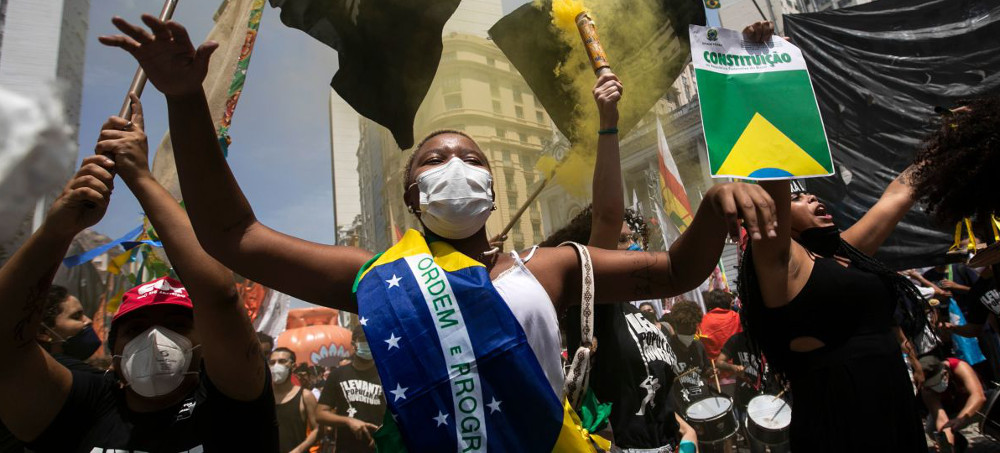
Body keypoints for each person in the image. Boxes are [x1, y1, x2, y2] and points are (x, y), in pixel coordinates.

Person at [98, 15, 776, 451]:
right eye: (434, 159)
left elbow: (674, 271)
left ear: (492, 188)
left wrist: (717, 201)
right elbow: (232, 233)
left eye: (472, 160)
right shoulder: (377, 276)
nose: (456, 167)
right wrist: (185, 99)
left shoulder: (550, 266)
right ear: (411, 195)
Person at [0, 95, 277, 452]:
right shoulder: (83, 408)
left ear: (206, 344)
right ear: (114, 351)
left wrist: (140, 177)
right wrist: (58, 229)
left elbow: (219, 296)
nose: (155, 338)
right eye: (134, 329)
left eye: (177, 325)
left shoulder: (232, 403)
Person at [739, 173, 929, 451]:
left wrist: (940, 155)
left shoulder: (845, 252)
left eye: (809, 194)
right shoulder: (781, 266)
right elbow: (772, 178)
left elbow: (898, 194)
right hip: (841, 419)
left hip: (896, 406)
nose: (811, 196)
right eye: (797, 198)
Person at [316, 325, 385, 453]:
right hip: (346, 447)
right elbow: (320, 414)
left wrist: (385, 434)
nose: (369, 343)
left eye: (372, 339)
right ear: (354, 344)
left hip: (380, 446)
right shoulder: (337, 375)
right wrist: (348, 421)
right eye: (364, 340)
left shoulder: (386, 375)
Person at [715, 332, 786, 453]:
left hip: (772, 397)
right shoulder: (736, 340)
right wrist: (733, 367)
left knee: (777, 444)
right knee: (757, 446)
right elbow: (719, 362)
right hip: (747, 400)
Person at [920, 355, 987, 452]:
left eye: (935, 383)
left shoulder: (959, 366)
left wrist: (960, 419)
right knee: (932, 428)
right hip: (952, 411)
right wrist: (947, 446)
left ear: (945, 373)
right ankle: (957, 445)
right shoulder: (927, 390)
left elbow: (978, 396)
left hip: (978, 406)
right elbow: (942, 420)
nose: (933, 387)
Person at [271, 347, 319, 453]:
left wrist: (299, 450)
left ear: (293, 367)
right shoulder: (264, 396)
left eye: (282, 361)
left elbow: (318, 429)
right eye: (272, 362)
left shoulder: (305, 396)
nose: (276, 366)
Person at [664, 300, 710, 376]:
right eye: (687, 325)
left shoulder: (698, 345)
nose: (692, 328)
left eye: (694, 324)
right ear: (676, 325)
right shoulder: (667, 348)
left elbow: (704, 370)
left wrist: (710, 372)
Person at [698, 289, 741, 362]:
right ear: (726, 301)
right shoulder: (737, 317)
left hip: (715, 366)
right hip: (739, 363)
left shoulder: (701, 322)